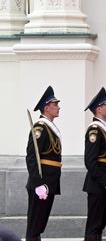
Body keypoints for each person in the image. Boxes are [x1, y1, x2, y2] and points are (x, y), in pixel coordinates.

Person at [26, 86, 62, 241]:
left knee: (40, 225)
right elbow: (32, 157)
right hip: (42, 182)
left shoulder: (50, 127)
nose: (58, 107)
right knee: (35, 225)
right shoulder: (40, 127)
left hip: (50, 181)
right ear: (47, 108)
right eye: (55, 104)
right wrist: (38, 183)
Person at [83, 88, 106, 241]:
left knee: (100, 225)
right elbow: (90, 161)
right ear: (99, 109)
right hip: (98, 184)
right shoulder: (95, 130)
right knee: (94, 225)